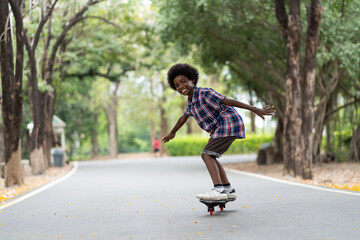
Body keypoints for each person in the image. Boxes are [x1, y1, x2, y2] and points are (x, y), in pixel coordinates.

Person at [162, 63, 275, 201]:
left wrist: (255, 109)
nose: (181, 86)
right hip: (221, 127)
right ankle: (227, 189)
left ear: (192, 79)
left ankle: (218, 189)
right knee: (212, 155)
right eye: (177, 85)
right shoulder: (191, 102)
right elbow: (183, 118)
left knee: (206, 154)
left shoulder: (204, 93)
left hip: (228, 122)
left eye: (183, 81)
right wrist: (172, 133)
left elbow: (229, 101)